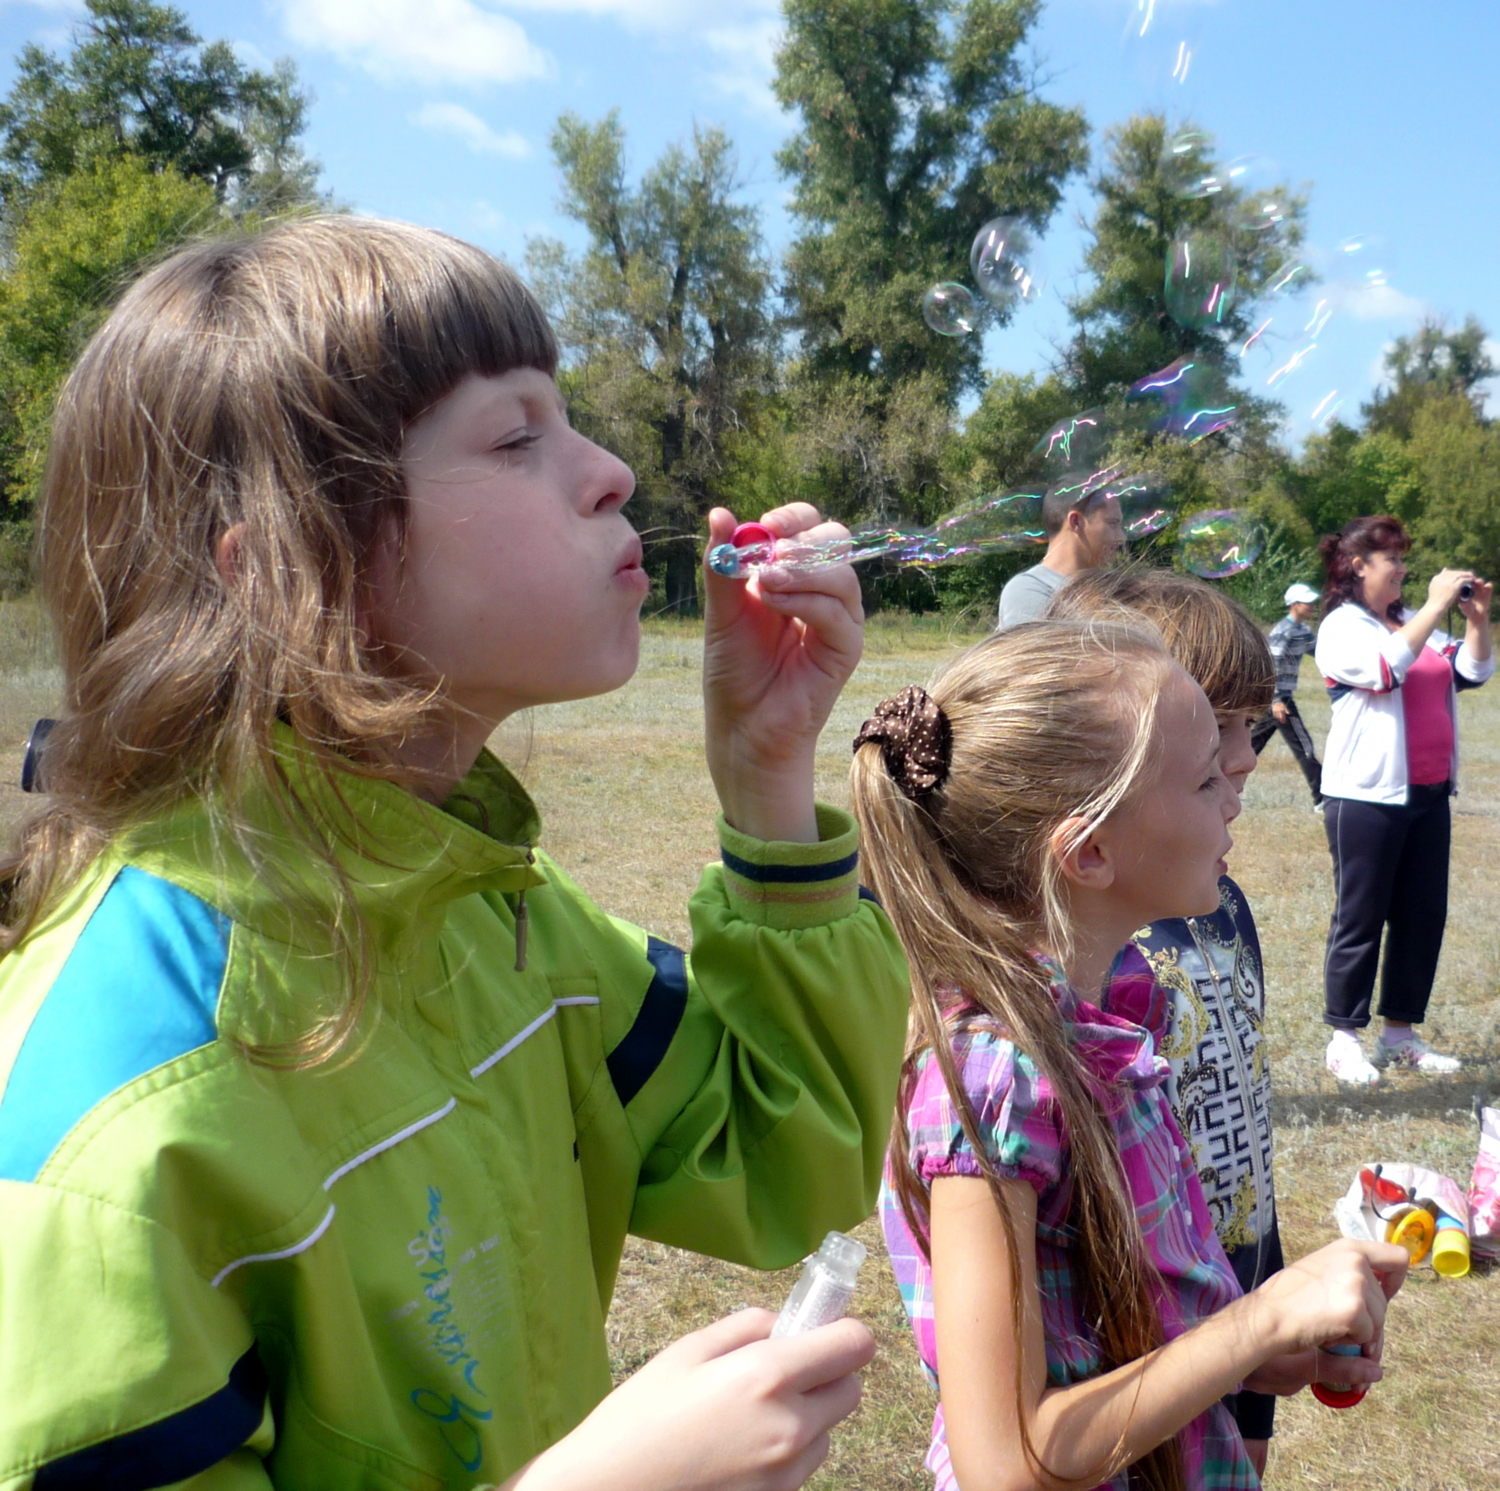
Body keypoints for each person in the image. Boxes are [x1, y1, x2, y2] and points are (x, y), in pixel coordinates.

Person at [0, 218, 913, 1490]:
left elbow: (785, 1159)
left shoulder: (497, 917)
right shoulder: (110, 1125)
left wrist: (765, 773)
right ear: (287, 563)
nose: (608, 473)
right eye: (515, 436)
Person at [854, 622, 1406, 1491]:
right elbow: (1006, 1462)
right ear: (1089, 852)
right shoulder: (998, 1078)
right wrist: (1255, 1324)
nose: (1234, 794)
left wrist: (1269, 1349)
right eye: (1201, 779)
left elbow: (1128, 1332)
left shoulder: (1091, 1038)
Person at [1045, 567, 1293, 1479]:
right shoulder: (1087, 950)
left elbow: (1245, 1137)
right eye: (1217, 722)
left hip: (1235, 1313)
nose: (1247, 754)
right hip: (1124, 1352)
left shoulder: (1220, 901)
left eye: (1248, 722)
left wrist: (1266, 1323)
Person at [1314, 515, 1493, 1085]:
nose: (1403, 569)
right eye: (1392, 557)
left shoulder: (1409, 622)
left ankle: (1400, 1035)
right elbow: (1386, 670)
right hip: (1366, 796)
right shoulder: (1342, 627)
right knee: (1361, 916)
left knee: (1421, 918)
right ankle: (1344, 1039)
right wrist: (1436, 607)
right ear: (1358, 565)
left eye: (1402, 557)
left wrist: (1477, 621)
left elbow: (1470, 670)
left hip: (1429, 793)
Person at [996, 481, 1125, 627]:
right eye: (1112, 523)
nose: (1121, 538)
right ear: (1076, 522)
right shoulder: (1028, 591)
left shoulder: (1112, 589)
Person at [1250, 581, 1325, 810]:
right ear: (1294, 604)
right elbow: (1270, 664)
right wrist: (1276, 700)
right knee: (1305, 747)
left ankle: (1214, 780)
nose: (1313, 605)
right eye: (1307, 601)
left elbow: (1322, 653)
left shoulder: (1303, 631)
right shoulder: (1283, 631)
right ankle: (1322, 799)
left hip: (1279, 699)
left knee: (1251, 744)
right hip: (1279, 699)